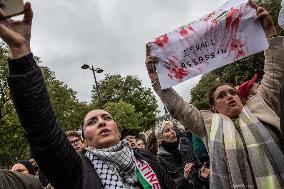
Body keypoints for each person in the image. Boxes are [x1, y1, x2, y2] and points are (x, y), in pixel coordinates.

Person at [0, 3, 181, 189]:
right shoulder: (77, 171)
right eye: (91, 122)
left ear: (117, 130)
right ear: (85, 141)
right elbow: (42, 129)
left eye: (107, 117)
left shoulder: (146, 161)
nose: (101, 122)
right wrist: (20, 50)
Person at [146, 3, 284, 189]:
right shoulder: (207, 124)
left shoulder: (261, 105)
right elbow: (179, 108)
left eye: (232, 92)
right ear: (213, 107)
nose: (229, 96)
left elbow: (275, 74)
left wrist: (271, 35)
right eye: (221, 95)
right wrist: (157, 80)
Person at [155, 121, 209, 189]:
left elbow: (198, 166)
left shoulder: (186, 148)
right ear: (161, 138)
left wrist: (200, 173)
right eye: (167, 130)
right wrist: (184, 177)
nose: (172, 132)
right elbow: (167, 185)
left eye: (172, 129)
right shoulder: (159, 160)